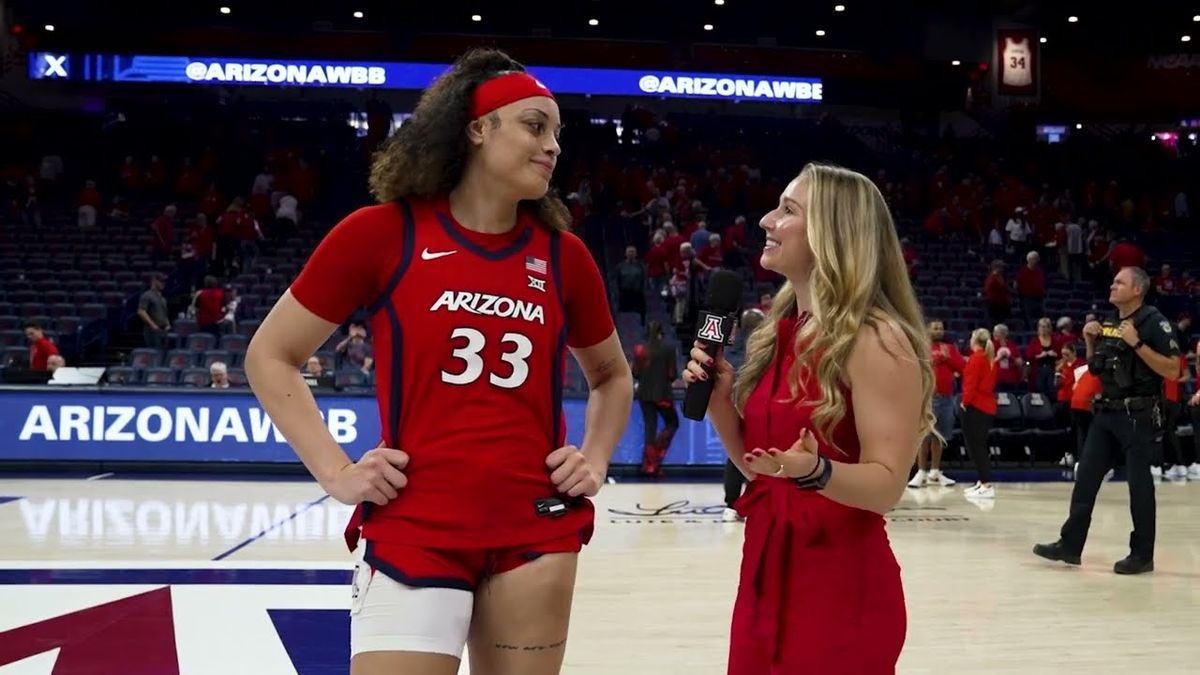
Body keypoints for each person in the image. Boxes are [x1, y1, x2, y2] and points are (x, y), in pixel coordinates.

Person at [245, 48, 633, 675]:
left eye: (558, 133)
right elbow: (271, 354)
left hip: (536, 528)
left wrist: (595, 456)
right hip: (414, 525)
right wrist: (337, 474)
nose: (553, 146)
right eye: (536, 126)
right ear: (478, 129)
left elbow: (612, 376)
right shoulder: (380, 233)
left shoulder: (564, 256)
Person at [683, 163, 935, 673]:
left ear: (833, 234)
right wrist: (722, 409)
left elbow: (887, 485)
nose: (766, 221)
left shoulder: (877, 339)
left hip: (840, 590)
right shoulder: (779, 332)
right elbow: (762, 470)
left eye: (788, 210)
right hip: (763, 577)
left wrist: (816, 473)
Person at [1034, 266, 1182, 575]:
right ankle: (1070, 546)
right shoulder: (1112, 322)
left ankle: (1142, 555)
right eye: (1113, 281)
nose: (1112, 286)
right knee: (1085, 478)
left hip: (1137, 415)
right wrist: (1090, 343)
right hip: (1106, 412)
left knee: (1139, 486)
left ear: (1137, 290)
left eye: (1119, 282)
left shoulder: (1154, 322)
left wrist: (1138, 344)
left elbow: (1172, 370)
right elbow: (1098, 369)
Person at [908, 319, 963, 488]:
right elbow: (914, 368)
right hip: (927, 397)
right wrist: (934, 360)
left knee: (940, 436)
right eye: (936, 328)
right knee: (924, 436)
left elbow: (961, 367)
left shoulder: (951, 348)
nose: (939, 330)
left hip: (946, 398)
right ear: (928, 330)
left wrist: (947, 359)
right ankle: (921, 471)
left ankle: (935, 471)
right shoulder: (921, 348)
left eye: (941, 328)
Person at [631, 320, 678, 477]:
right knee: (672, 423)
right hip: (663, 394)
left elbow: (635, 373)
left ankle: (649, 465)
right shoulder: (668, 348)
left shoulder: (640, 349)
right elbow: (672, 374)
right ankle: (657, 455)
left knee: (649, 428)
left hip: (644, 394)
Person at [959, 328, 998, 499]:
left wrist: (964, 403)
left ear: (973, 340)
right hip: (987, 407)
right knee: (979, 446)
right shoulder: (989, 358)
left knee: (976, 448)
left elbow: (971, 385)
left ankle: (986, 484)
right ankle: (982, 481)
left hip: (976, 407)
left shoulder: (976, 359)